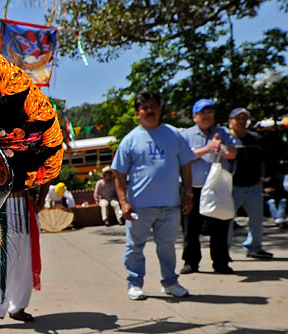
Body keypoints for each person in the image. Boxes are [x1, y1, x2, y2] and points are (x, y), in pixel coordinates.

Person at [112, 91, 194, 300]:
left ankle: (170, 283)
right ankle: (135, 284)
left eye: (153, 106)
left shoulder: (174, 134)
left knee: (167, 247)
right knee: (134, 247)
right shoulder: (130, 140)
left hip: (171, 203)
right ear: (138, 113)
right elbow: (118, 174)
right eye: (144, 107)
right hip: (140, 206)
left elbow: (185, 166)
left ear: (160, 109)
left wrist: (189, 194)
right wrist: (123, 203)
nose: (149, 110)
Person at [0, 185, 49, 332]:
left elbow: (46, 168)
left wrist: (42, 198)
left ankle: (17, 307)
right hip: (0, 206)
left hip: (24, 207)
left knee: (24, 263)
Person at [180, 99, 237, 274]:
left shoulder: (223, 132)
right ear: (194, 116)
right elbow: (184, 157)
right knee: (191, 228)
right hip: (193, 188)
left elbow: (233, 153)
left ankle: (220, 262)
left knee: (219, 226)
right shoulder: (186, 135)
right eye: (202, 113)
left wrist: (221, 148)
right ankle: (191, 262)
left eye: (209, 112)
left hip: (217, 189)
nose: (206, 116)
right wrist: (208, 148)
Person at [228, 107, 273, 259]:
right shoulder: (227, 139)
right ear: (231, 121)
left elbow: (262, 161)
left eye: (244, 118)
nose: (241, 121)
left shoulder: (256, 138)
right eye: (238, 118)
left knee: (256, 218)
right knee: (227, 220)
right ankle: (223, 250)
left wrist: (262, 178)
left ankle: (254, 247)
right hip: (233, 186)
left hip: (254, 185)